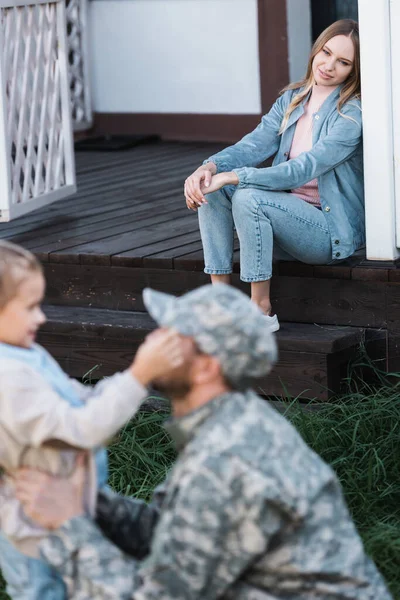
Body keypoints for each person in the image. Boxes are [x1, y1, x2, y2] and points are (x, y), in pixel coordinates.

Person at [15, 284, 392, 599]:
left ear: (209, 365)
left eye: (171, 334)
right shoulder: (232, 423)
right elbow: (175, 538)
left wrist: (69, 522)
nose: (152, 338)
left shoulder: (226, 459)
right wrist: (93, 502)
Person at [0, 240, 184, 600]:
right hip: (35, 526)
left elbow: (75, 397)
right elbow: (82, 428)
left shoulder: (26, 354)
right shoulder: (9, 377)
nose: (41, 317)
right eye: (30, 307)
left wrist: (115, 388)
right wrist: (137, 378)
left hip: (63, 508)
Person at [184, 19, 363, 332]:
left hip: (324, 231)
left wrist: (237, 177)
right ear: (316, 49)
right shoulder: (293, 99)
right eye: (326, 52)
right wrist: (210, 167)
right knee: (213, 187)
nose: (329, 65)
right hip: (285, 220)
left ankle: (261, 311)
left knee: (249, 195)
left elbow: (302, 169)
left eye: (343, 62)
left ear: (354, 70)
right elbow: (254, 144)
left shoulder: (351, 114)